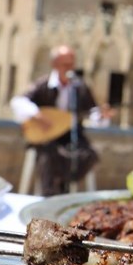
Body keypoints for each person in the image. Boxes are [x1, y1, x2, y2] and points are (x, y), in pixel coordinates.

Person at [11, 45, 113, 196]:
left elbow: (92, 113)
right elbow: (18, 102)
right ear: (55, 65)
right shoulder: (43, 84)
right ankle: (50, 195)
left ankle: (65, 190)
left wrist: (102, 116)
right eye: (65, 64)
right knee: (49, 155)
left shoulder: (79, 87)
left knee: (88, 155)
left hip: (73, 136)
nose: (69, 68)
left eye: (71, 64)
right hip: (47, 138)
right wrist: (38, 115)